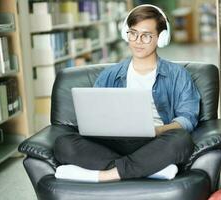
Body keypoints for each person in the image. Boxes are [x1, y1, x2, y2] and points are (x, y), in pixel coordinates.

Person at [54, 4, 200, 182]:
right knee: (63, 144)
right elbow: (93, 115)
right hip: (113, 143)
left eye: (146, 36)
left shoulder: (177, 75)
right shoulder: (110, 75)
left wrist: (157, 130)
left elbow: (187, 118)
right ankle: (148, 168)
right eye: (133, 33)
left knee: (181, 140)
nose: (138, 41)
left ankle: (108, 174)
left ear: (161, 38)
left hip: (154, 142)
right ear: (126, 34)